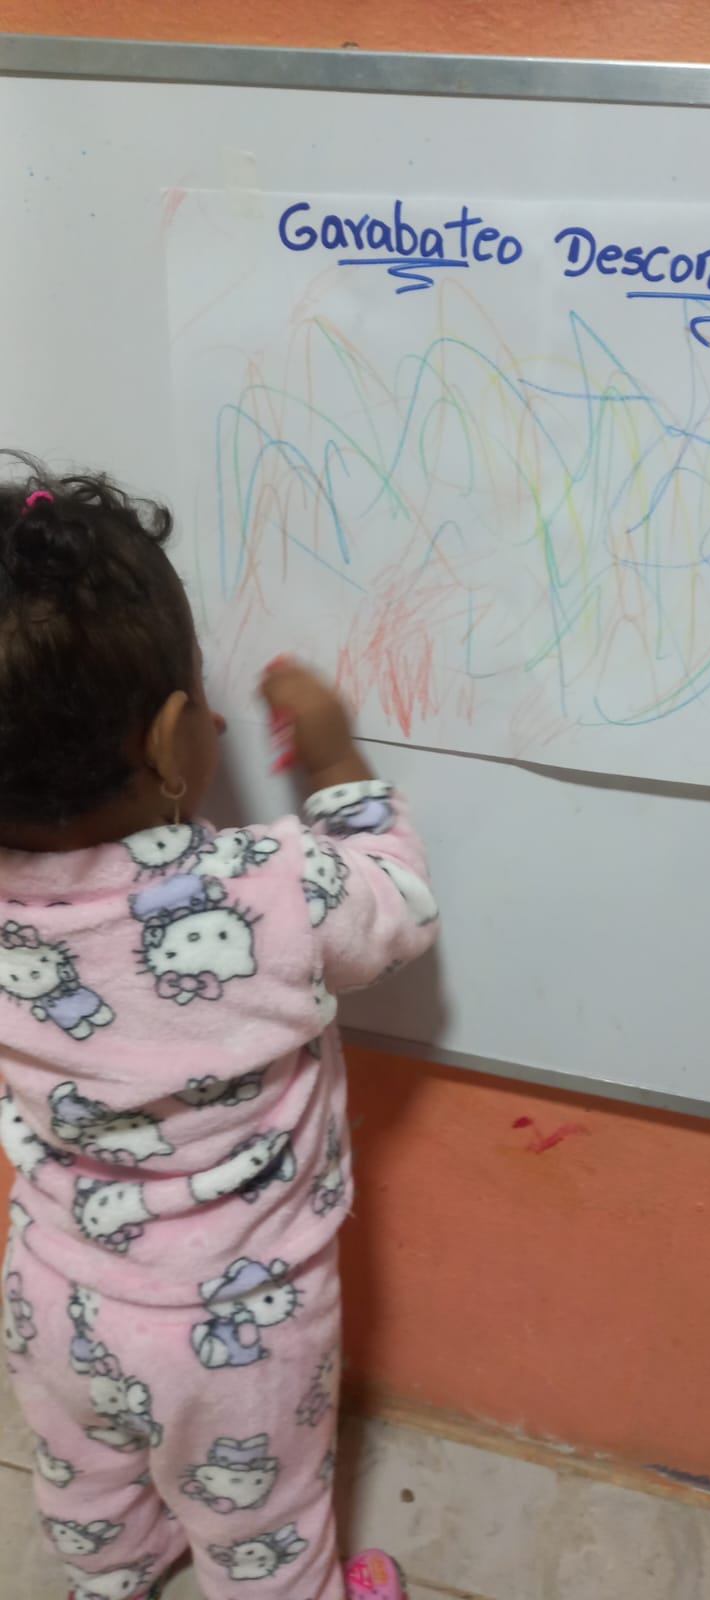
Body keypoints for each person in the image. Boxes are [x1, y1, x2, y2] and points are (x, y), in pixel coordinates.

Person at [0, 457, 438, 1600]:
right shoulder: (272, 886)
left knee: (85, 1481)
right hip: (241, 1325)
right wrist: (335, 760)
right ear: (171, 740)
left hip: (51, 1290)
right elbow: (397, 906)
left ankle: (110, 1578)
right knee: (262, 1522)